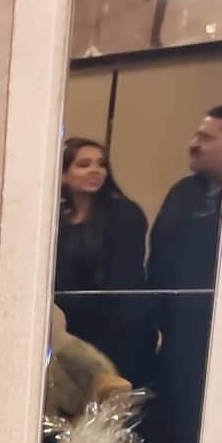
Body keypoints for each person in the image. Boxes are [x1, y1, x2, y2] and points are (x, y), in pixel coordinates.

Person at [145, 104, 222, 443]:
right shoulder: (183, 192)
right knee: (175, 427)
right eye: (196, 135)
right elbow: (159, 258)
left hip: (221, 338)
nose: (193, 144)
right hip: (178, 338)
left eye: (206, 137)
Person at [53, 138, 151, 387]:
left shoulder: (125, 214)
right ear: (62, 175)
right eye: (84, 164)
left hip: (118, 328)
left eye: (101, 164)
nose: (95, 170)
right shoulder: (53, 217)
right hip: (69, 329)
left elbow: (125, 280)